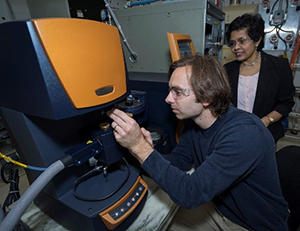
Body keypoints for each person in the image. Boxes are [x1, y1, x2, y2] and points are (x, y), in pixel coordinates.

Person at [108, 54, 289, 230]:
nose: (168, 99)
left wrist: (139, 148)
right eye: (170, 90)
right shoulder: (194, 123)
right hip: (221, 208)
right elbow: (179, 162)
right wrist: (147, 150)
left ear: (207, 97)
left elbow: (190, 194)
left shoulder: (245, 134)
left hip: (253, 224)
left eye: (177, 92)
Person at [224, 13, 295, 143]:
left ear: (257, 40)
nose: (236, 48)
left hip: (266, 135)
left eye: (242, 41)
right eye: (232, 43)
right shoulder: (227, 70)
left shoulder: (278, 66)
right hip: (235, 133)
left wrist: (266, 121)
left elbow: (286, 103)